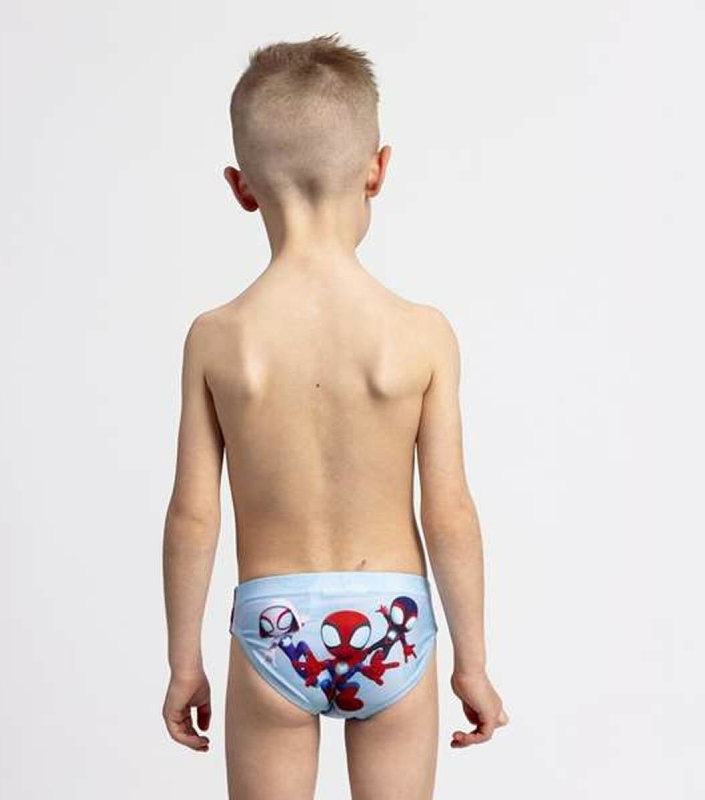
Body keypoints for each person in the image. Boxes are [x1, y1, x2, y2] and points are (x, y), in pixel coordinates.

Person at [162, 33, 508, 800]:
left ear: (241, 187)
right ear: (377, 169)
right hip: (391, 621)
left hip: (274, 624)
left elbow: (193, 514)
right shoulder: (421, 334)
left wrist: (183, 661)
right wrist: (473, 662)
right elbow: (449, 509)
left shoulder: (218, 338)